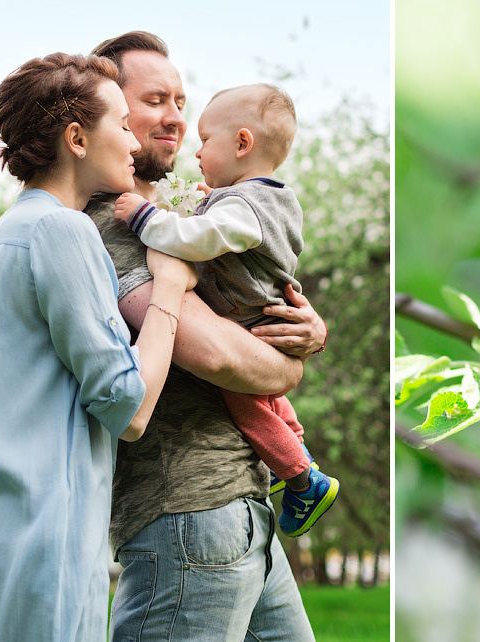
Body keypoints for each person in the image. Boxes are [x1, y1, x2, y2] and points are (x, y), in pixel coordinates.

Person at [0, 53, 197, 641]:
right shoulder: (63, 231)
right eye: (119, 122)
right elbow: (129, 409)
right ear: (77, 138)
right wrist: (169, 285)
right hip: (39, 551)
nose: (133, 138)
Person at [83, 32, 325, 641]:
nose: (175, 119)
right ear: (104, 113)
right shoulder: (106, 229)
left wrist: (308, 328)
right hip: (186, 515)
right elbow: (219, 355)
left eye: (181, 102)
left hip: (238, 513)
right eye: (154, 100)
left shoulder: (179, 217)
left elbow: (245, 293)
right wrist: (289, 365)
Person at [113, 83, 339, 538]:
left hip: (232, 501)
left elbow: (200, 242)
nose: (192, 145)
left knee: (247, 402)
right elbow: (220, 352)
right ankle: (297, 458)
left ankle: (297, 473)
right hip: (193, 505)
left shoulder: (242, 205)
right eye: (154, 101)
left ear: (242, 144)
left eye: (204, 139)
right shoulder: (255, 200)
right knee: (269, 399)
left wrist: (144, 217)